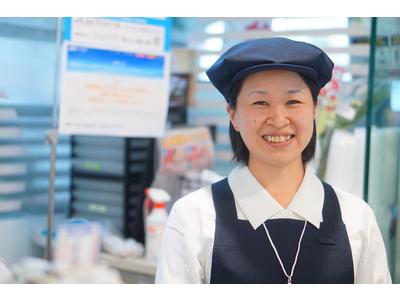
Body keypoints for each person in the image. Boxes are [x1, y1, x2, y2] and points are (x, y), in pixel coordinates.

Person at [155, 37, 392, 284]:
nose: (279, 120)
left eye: (293, 102)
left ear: (314, 110)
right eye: (260, 102)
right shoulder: (193, 217)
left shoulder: (356, 217)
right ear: (233, 115)